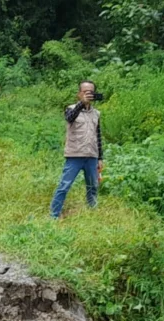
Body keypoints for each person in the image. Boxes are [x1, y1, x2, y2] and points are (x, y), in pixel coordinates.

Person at [49, 80, 104, 219]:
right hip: (74, 155)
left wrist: (100, 158)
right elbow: (69, 118)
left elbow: (98, 136)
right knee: (64, 186)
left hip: (91, 156)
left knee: (92, 188)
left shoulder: (96, 113)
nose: (88, 95)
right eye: (85, 92)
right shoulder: (71, 109)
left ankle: (92, 215)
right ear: (79, 94)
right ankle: (53, 216)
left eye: (91, 92)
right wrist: (82, 104)